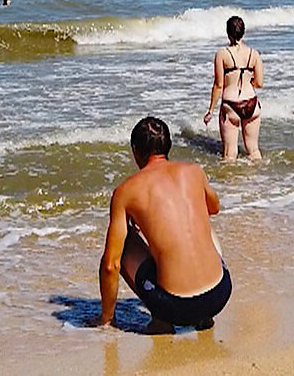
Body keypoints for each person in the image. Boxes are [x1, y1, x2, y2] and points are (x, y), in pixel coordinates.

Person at [98, 117, 231, 332]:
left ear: (135, 151)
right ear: (168, 145)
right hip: (220, 293)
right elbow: (213, 208)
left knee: (122, 247)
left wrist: (105, 318)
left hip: (176, 307)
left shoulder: (125, 192)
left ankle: (161, 321)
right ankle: (205, 319)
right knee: (201, 224)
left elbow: (110, 265)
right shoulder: (194, 171)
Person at [203, 16, 263, 160]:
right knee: (253, 150)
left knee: (230, 153)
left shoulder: (222, 54)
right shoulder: (254, 54)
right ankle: (261, 181)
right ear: (243, 32)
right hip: (252, 104)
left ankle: (230, 183)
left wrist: (210, 110)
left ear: (228, 33)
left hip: (231, 105)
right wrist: (249, 82)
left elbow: (218, 85)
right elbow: (260, 83)